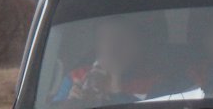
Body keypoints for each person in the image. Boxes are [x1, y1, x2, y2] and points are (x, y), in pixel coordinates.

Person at [51, 17, 183, 104]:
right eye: (102, 39)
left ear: (140, 45)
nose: (110, 48)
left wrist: (116, 92)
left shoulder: (158, 84)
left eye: (120, 39)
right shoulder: (76, 78)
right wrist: (70, 105)